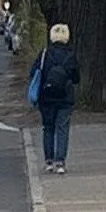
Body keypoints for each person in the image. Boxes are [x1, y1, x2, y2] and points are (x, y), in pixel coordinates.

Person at [30, 23, 80, 174]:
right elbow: (76, 78)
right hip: (65, 98)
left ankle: (49, 161)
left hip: (46, 97)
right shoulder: (71, 55)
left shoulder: (45, 54)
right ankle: (60, 162)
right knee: (62, 129)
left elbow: (34, 72)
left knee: (48, 128)